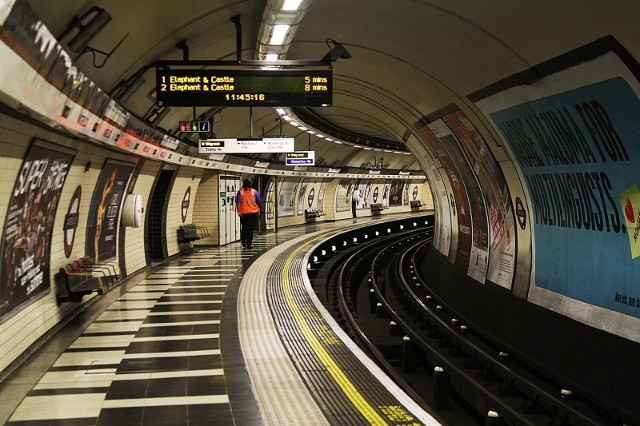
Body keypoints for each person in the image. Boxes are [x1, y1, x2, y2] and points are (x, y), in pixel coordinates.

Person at [236, 179, 262, 249]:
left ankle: (243, 241)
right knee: (250, 229)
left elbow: (238, 202)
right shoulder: (254, 192)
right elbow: (259, 201)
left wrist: (238, 211)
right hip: (252, 213)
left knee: (244, 228)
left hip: (243, 213)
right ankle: (249, 244)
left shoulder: (240, 192)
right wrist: (260, 210)